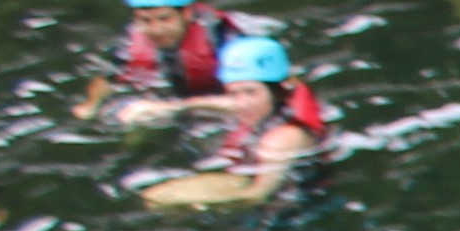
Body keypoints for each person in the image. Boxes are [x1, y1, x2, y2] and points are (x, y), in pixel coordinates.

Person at [139, 33, 327, 205]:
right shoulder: (267, 105)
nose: (241, 104)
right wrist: (171, 107)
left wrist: (180, 197)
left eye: (250, 92)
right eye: (234, 93)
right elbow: (224, 103)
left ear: (277, 88)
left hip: (295, 206)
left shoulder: (282, 139)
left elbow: (257, 195)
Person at [89, 0, 242, 114]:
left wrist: (167, 108)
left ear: (187, 12)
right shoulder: (129, 42)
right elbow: (108, 78)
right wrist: (90, 106)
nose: (156, 30)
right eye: (145, 20)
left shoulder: (222, 37)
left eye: (164, 19)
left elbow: (246, 102)